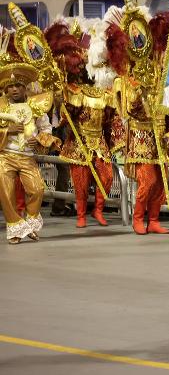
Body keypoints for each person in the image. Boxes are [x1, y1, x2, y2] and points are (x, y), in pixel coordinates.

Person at [108, 0, 169, 235]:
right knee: (147, 180)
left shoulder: (162, 75)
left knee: (162, 181)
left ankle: (155, 220)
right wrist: (139, 95)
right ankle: (138, 217)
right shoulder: (128, 79)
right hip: (141, 136)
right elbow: (129, 110)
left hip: (161, 135)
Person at [46, 21, 126, 228]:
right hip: (78, 141)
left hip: (98, 142)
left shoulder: (105, 94)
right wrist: (63, 106)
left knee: (106, 176)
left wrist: (117, 142)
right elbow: (65, 118)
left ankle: (98, 210)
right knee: (80, 182)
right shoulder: (73, 92)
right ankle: (81, 214)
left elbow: (112, 120)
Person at [0, 62, 59, 244]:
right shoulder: (1, 106)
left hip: (27, 157)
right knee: (6, 191)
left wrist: (39, 139)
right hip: (5, 156)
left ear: (25, 88)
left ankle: (30, 222)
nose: (14, 89)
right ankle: (15, 228)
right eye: (10, 86)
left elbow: (46, 128)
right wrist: (7, 131)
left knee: (37, 189)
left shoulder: (36, 105)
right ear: (5, 89)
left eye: (18, 86)